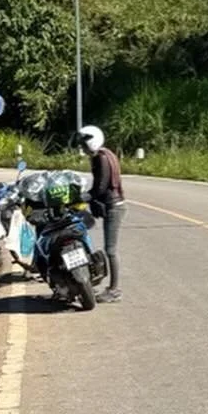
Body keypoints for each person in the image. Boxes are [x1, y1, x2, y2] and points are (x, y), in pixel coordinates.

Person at [77, 125, 125, 302]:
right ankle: (112, 288)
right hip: (112, 204)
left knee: (110, 250)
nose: (82, 148)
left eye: (84, 144)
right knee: (110, 249)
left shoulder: (101, 158)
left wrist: (83, 197)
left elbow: (100, 187)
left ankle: (114, 290)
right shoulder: (105, 154)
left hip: (114, 206)